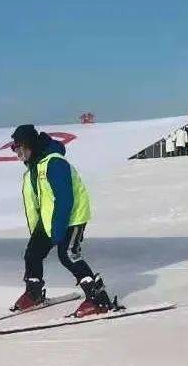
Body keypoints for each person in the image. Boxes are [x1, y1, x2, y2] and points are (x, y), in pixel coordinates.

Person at [9, 124, 116, 318]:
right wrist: (37, 232)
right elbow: (36, 203)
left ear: (31, 145)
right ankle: (34, 293)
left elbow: (65, 198)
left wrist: (58, 230)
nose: (18, 154)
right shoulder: (34, 167)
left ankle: (98, 299)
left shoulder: (54, 163)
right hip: (50, 219)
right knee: (32, 253)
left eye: (20, 149)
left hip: (71, 218)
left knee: (67, 255)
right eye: (16, 149)